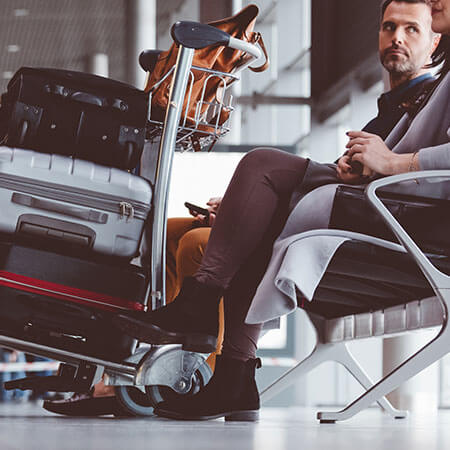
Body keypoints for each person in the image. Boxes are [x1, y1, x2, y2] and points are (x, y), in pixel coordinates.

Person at [43, 0, 446, 417]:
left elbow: (395, 170)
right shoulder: (397, 105)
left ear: (435, 39)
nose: (396, 37)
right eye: (388, 27)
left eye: (412, 29)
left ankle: (210, 351)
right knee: (171, 231)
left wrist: (389, 165)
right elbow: (367, 168)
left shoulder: (424, 97)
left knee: (251, 179)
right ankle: (185, 366)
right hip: (377, 210)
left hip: (401, 227)